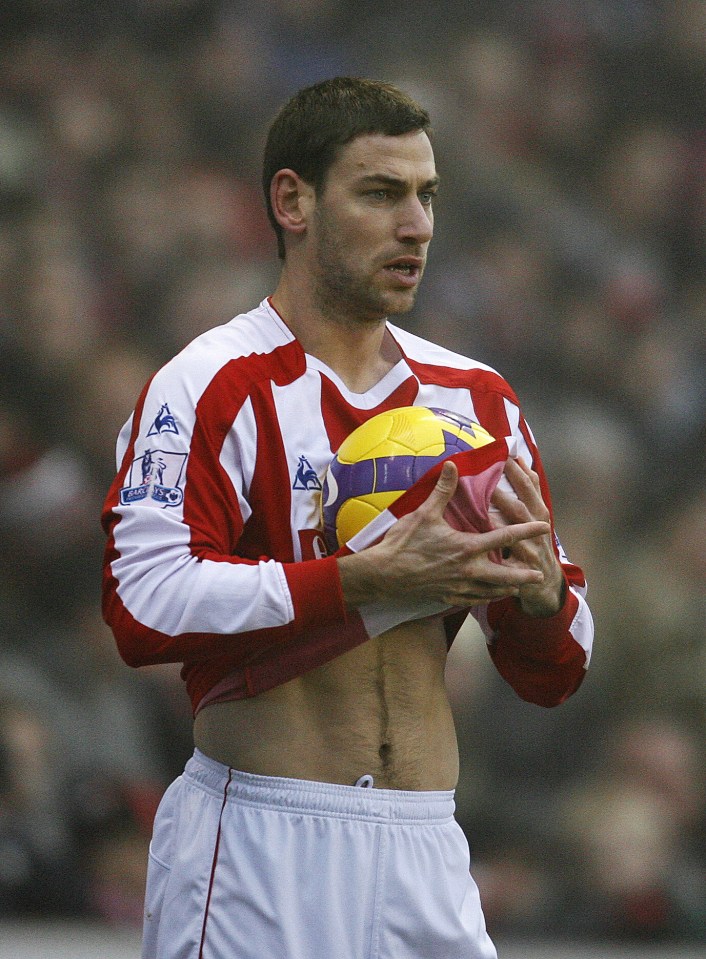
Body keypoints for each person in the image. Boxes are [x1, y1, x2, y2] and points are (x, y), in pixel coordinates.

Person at [101, 77, 594, 959]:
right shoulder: (209, 384)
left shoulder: (478, 402)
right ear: (292, 200)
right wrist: (360, 580)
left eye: (427, 195)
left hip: (427, 848)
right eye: (380, 193)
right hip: (259, 846)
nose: (418, 226)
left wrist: (542, 596)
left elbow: (557, 670)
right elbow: (141, 603)